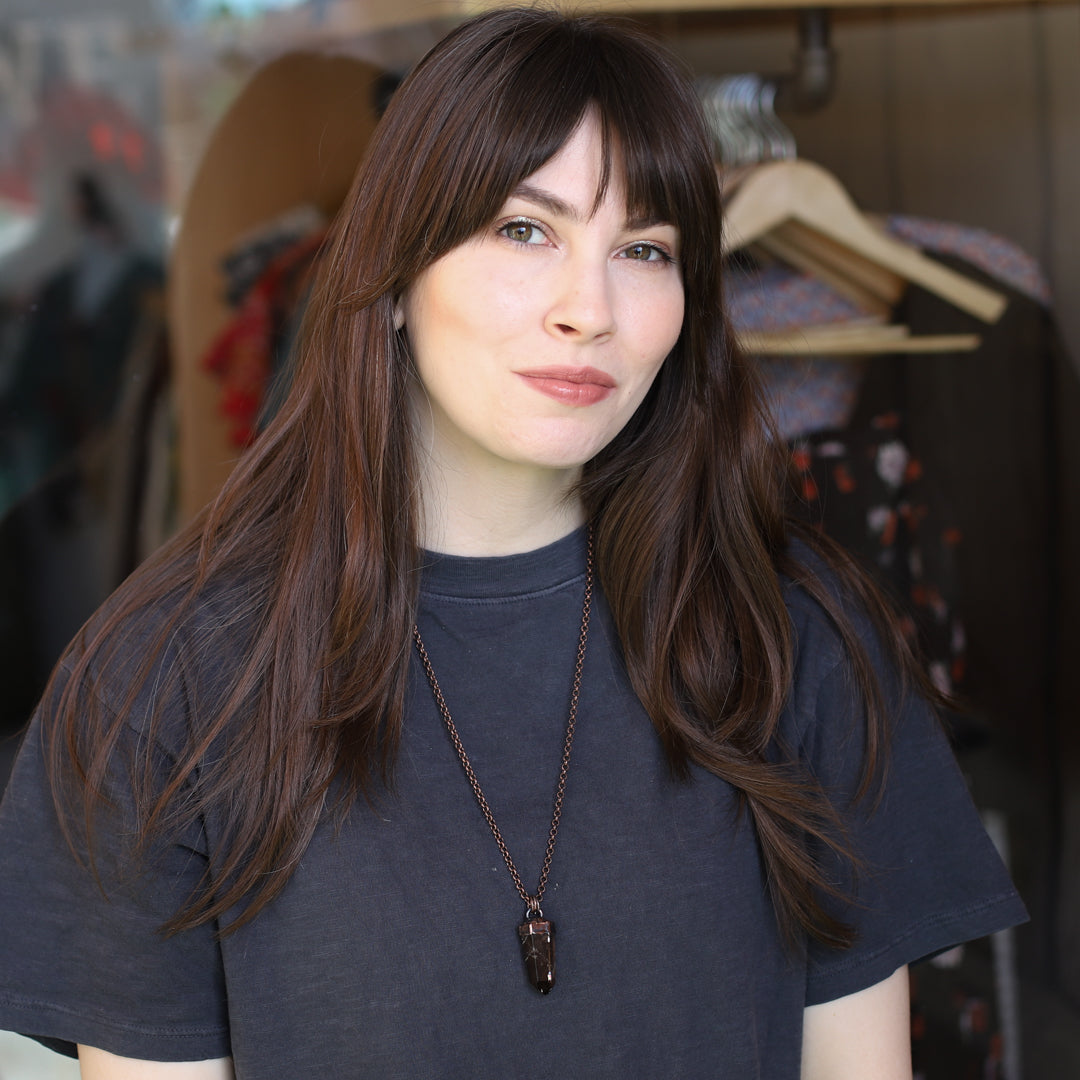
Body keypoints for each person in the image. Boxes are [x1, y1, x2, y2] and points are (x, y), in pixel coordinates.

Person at [0, 9, 1025, 1078]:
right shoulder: (163, 680)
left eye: (643, 248)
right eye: (524, 230)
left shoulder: (797, 634)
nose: (590, 308)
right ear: (396, 276)